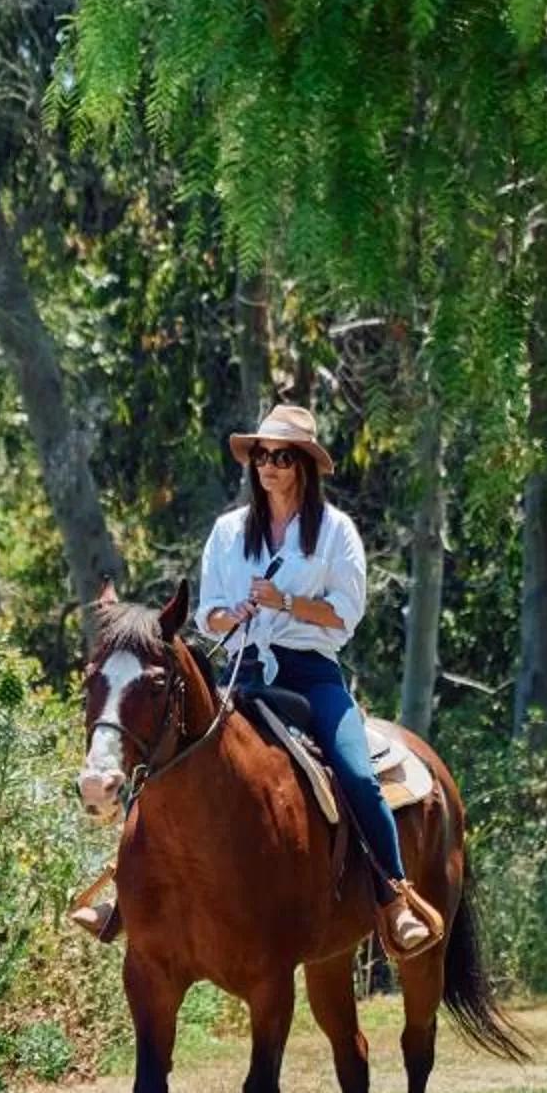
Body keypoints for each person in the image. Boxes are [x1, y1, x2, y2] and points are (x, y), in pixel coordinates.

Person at [195, 404, 442, 958]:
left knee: (356, 773)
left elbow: (344, 614)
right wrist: (228, 617)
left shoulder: (335, 533)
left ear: (303, 465)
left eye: (281, 456)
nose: (268, 466)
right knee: (176, 753)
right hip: (242, 674)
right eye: (261, 455)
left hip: (310, 675)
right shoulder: (228, 533)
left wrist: (286, 602)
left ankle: (395, 899)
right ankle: (133, 888)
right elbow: (205, 612)